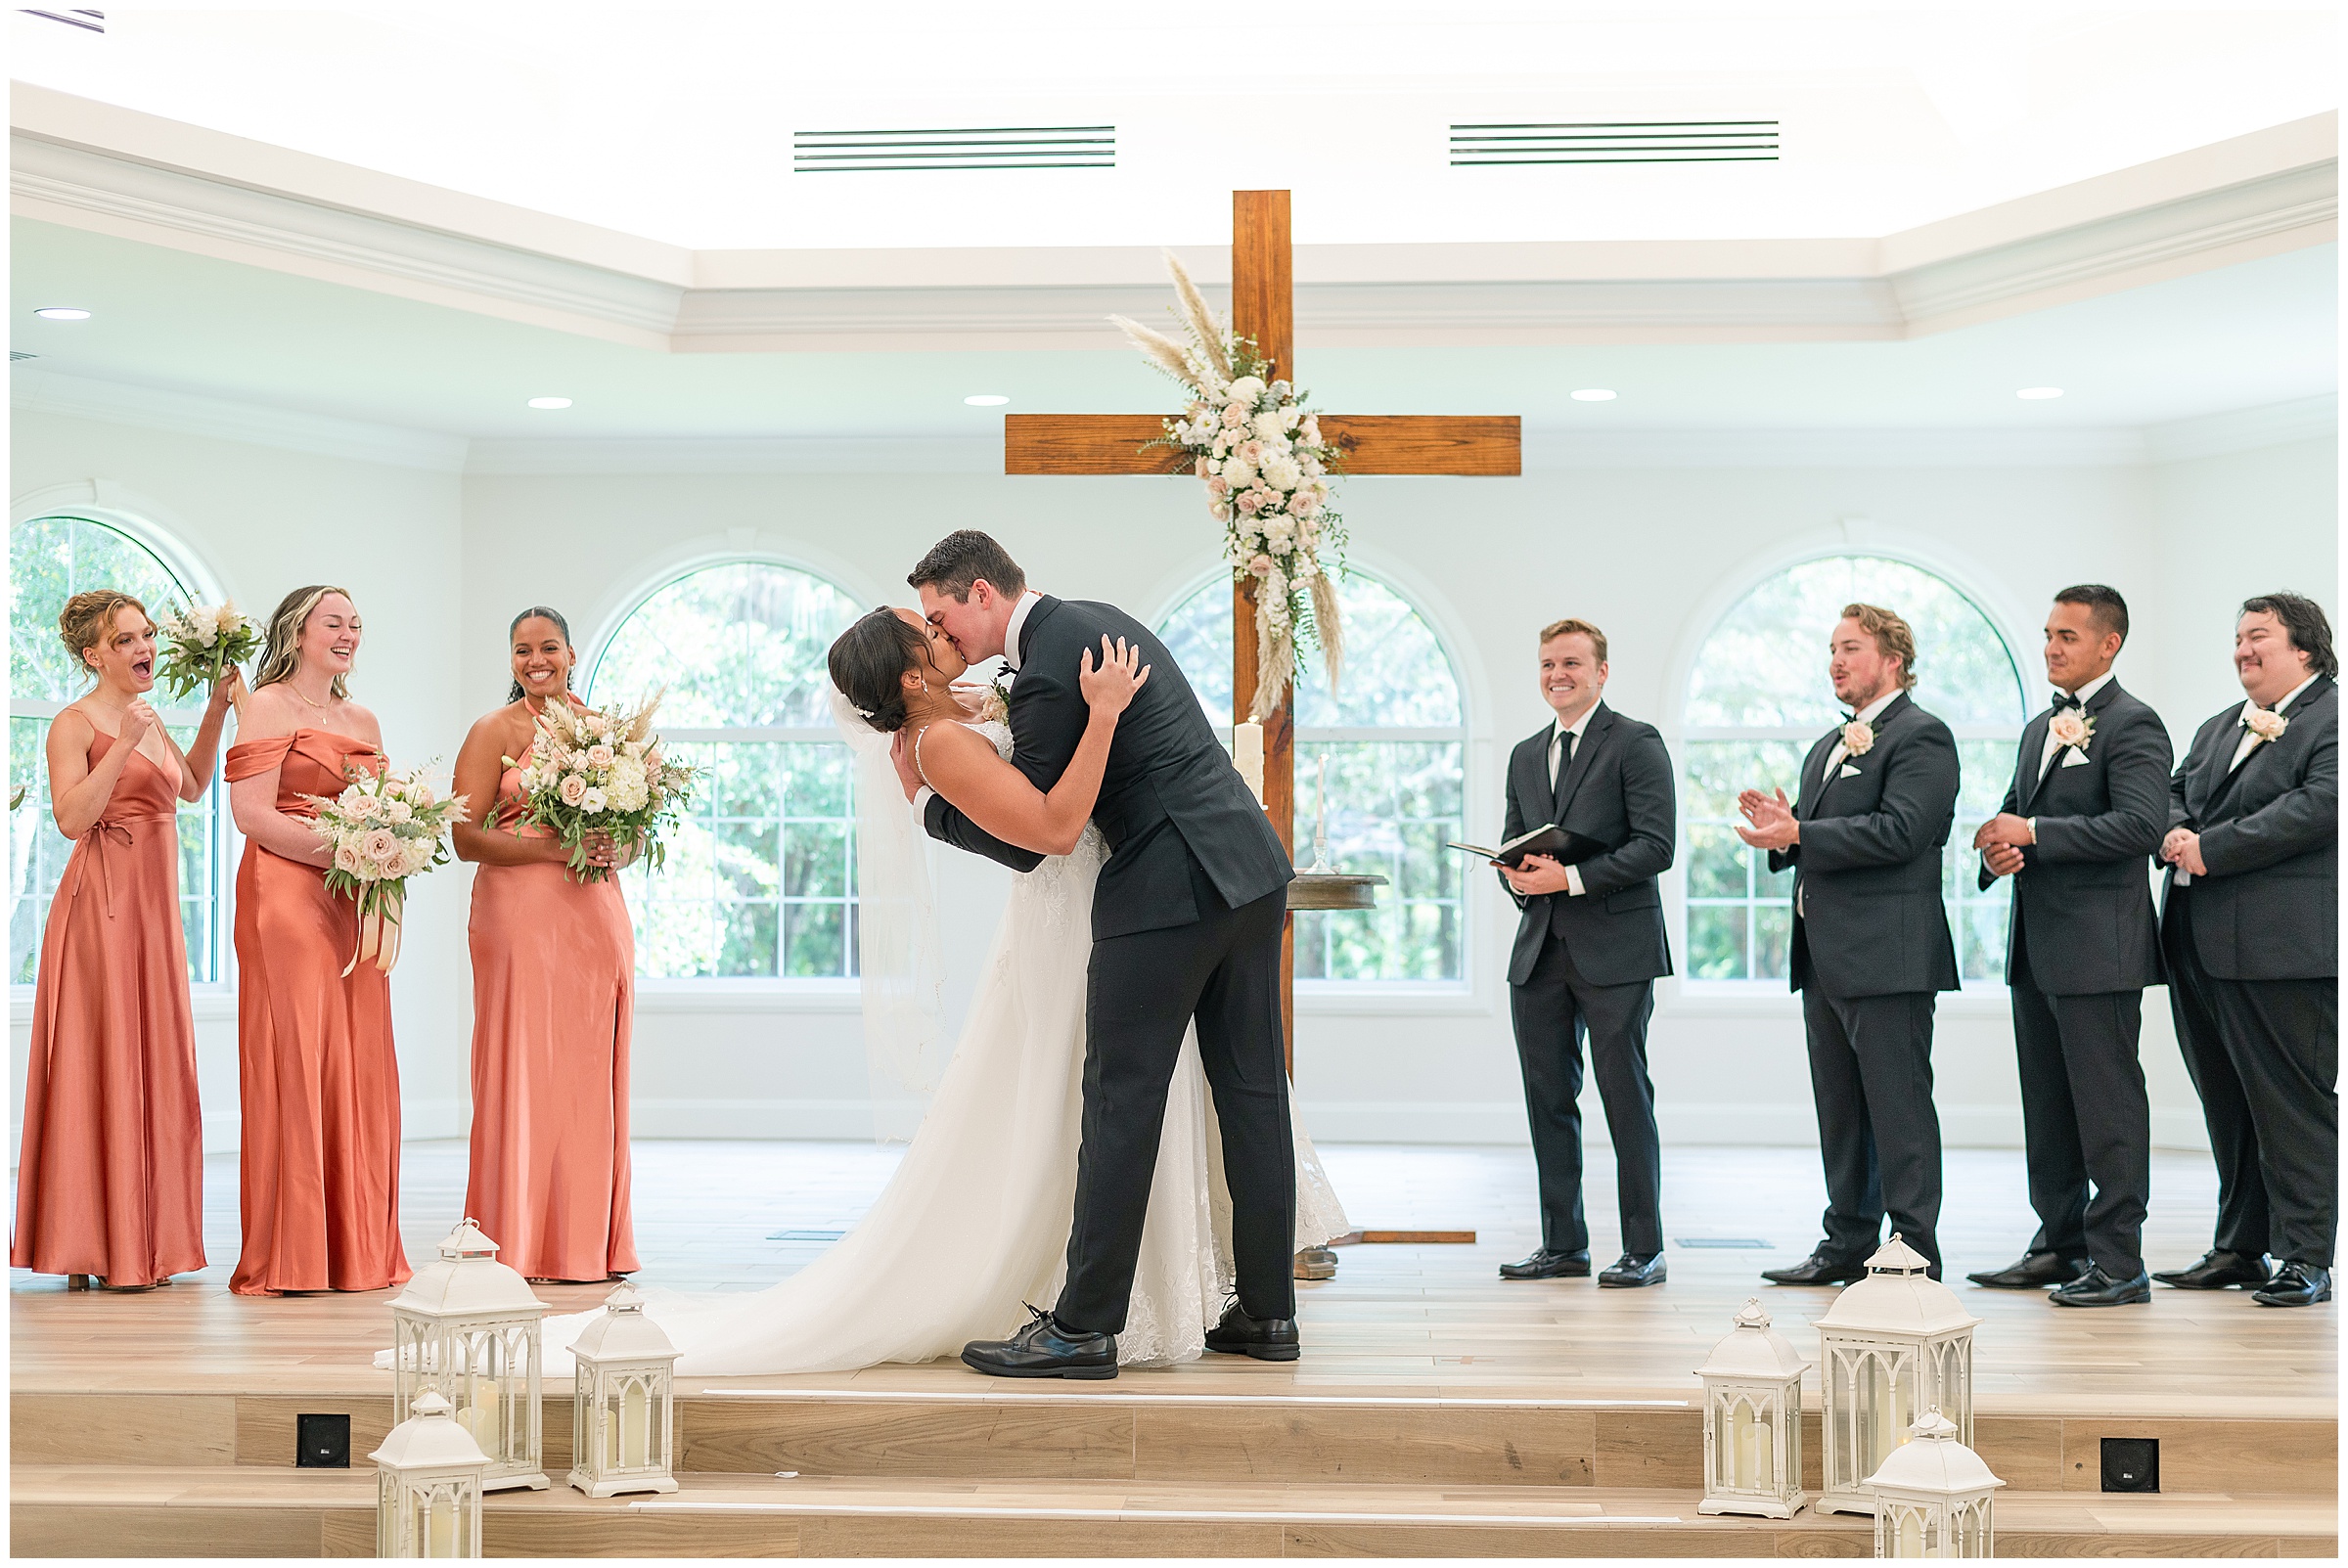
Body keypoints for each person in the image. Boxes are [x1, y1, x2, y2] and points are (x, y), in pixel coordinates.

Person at [521, 599, 1345, 1378]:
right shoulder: (938, 742)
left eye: (938, 616)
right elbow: (1045, 836)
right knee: (1167, 1099)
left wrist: (990, 731)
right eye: (928, 629)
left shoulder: (959, 713)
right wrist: (1094, 718)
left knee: (1136, 1102)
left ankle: (1147, 1313)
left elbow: (1012, 771)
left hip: (1132, 899)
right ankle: (1151, 1314)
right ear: (911, 677)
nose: (943, 632)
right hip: (1108, 895)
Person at [910, 531, 1306, 1378]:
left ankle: (1084, 1325)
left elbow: (1038, 837)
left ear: (981, 593)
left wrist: (930, 810)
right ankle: (1270, 1315)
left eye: (942, 616)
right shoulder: (1085, 623)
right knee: (1253, 1093)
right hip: (1251, 869)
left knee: (1120, 1097)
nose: (941, 637)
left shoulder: (1051, 658)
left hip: (1169, 890)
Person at [12, 590, 238, 1290]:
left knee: (153, 1059)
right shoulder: (74, 723)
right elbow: (73, 817)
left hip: (152, 915)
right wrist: (129, 745)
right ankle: (90, 1243)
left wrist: (215, 710)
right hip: (99, 909)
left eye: (146, 635)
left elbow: (194, 785)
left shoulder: (149, 716)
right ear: (94, 655)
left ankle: (146, 1238)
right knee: (100, 1056)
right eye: (127, 639)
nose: (145, 647)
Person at [1738, 603, 1959, 1281]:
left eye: (1851, 647)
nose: (1836, 660)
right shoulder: (1827, 745)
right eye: (1832, 648)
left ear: (1893, 660)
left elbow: (1902, 832)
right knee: (1840, 1109)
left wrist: (1800, 834)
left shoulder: (1923, 736)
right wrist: (1788, 831)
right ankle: (1848, 1241)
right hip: (1826, 955)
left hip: (1889, 954)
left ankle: (1914, 1246)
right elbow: (1817, 841)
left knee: (1898, 1107)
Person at [1968, 586, 2169, 1308]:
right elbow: (2015, 820)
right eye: (2048, 634)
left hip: (2101, 950)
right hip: (2037, 947)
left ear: (2109, 644)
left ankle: (2121, 1261)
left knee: (2108, 1109)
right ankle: (2058, 1242)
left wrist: (2037, 835)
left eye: (2067, 636)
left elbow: (2142, 828)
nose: (2050, 646)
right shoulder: (2037, 729)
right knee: (2048, 1105)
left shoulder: (2134, 724)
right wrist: (1998, 854)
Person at [224, 585, 410, 1296]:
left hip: (355, 898)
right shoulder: (266, 704)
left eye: (356, 624)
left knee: (357, 1058)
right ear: (298, 631)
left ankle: (355, 1247)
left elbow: (386, 810)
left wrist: (385, 854)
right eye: (334, 621)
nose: (348, 633)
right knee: (299, 1052)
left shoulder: (363, 716)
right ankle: (295, 1250)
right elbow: (251, 814)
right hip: (286, 893)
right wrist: (343, 852)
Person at [2155, 592, 2337, 1309]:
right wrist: (2174, 833)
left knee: (2293, 1105)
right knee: (2227, 1102)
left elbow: (2319, 805)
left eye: (2257, 636)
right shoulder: (2215, 726)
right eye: (2236, 638)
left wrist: (2212, 847)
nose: (2241, 649)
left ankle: (2306, 1256)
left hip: (2283, 950)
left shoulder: (2332, 718)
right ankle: (2240, 1245)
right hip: (2198, 944)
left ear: (2306, 648)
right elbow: (2171, 791)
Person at [451, 607, 638, 1284]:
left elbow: (633, 831)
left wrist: (621, 844)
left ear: (571, 653)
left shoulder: (604, 733)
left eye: (549, 647)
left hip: (593, 917)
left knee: (588, 1075)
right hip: (517, 917)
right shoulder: (492, 731)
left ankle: (586, 1242)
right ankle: (517, 1239)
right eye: (523, 650)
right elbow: (464, 836)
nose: (537, 660)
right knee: (520, 1067)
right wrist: (558, 846)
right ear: (510, 659)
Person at [1493, 618, 1675, 1288]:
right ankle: (1563, 1242)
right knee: (1548, 1099)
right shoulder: (1523, 753)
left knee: (1624, 1096)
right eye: (1546, 663)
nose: (1556, 674)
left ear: (1601, 672)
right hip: (1540, 950)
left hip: (1617, 950)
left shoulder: (1635, 742)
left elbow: (1657, 846)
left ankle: (1645, 1247)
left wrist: (1567, 877)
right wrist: (1516, 872)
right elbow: (1518, 840)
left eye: (1570, 662)